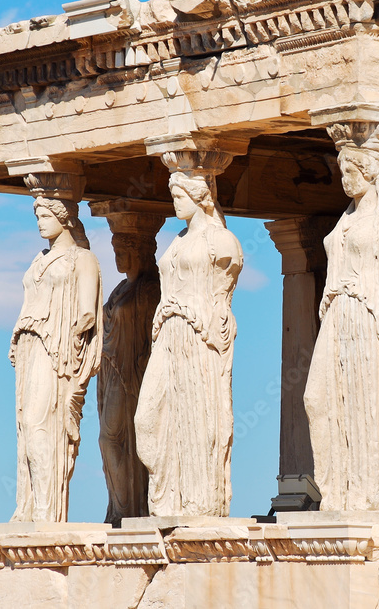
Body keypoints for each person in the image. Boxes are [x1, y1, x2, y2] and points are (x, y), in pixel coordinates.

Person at [304, 128, 379, 512]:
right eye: (342, 172)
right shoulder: (346, 219)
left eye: (350, 172)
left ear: (371, 172)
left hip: (371, 320)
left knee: (368, 406)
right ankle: (336, 491)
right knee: (317, 399)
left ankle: (369, 498)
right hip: (338, 314)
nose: (344, 179)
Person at [135, 172, 242, 517]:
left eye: (180, 194)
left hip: (199, 337)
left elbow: (223, 294)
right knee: (147, 419)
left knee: (199, 416)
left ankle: (199, 503)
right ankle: (167, 500)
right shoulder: (177, 240)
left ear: (199, 197)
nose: (175, 201)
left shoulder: (221, 240)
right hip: (168, 333)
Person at [10, 197, 102, 522]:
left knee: (40, 425)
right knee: (25, 427)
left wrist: (74, 332)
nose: (41, 222)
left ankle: (48, 512)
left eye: (47, 215)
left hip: (58, 352)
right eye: (38, 215)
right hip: (30, 347)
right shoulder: (39, 259)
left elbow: (88, 312)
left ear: (64, 217)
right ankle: (29, 506)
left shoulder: (83, 259)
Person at [99, 231, 159, 526]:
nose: (117, 255)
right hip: (112, 370)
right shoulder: (121, 288)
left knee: (114, 438)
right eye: (115, 249)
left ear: (139, 251)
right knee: (109, 439)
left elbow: (155, 338)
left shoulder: (150, 290)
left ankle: (131, 508)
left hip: (134, 374)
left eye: (122, 249)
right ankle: (120, 508)